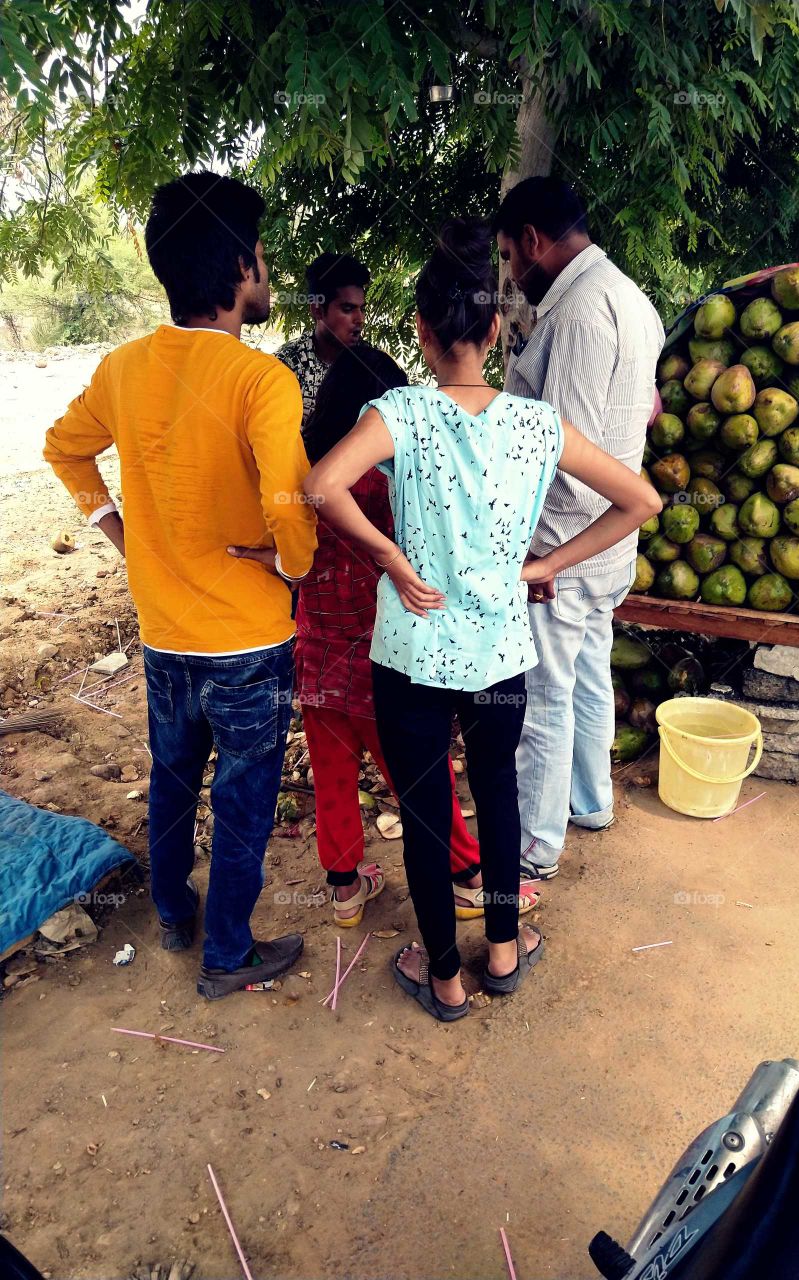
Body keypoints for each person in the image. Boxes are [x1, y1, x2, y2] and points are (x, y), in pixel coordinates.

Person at [304, 220, 661, 1022]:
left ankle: (442, 978)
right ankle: (503, 950)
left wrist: (392, 560)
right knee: (496, 795)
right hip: (501, 648)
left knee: (429, 810)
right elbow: (641, 500)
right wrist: (544, 567)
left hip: (411, 652)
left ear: (423, 333)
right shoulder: (537, 425)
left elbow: (324, 485)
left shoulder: (398, 414)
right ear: (495, 328)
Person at [43, 171, 317, 999]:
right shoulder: (261, 380)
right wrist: (292, 565)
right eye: (262, 258)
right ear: (239, 268)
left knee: (172, 778)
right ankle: (227, 954)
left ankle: (173, 911)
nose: (267, 273)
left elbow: (63, 450)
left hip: (164, 632)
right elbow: (288, 504)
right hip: (248, 644)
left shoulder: (123, 369)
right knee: (241, 803)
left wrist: (122, 538)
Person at [292, 345, 541, 925]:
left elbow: (286, 545)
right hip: (383, 649)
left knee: (331, 773)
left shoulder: (299, 471)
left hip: (318, 647)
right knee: (422, 782)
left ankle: (345, 888)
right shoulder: (386, 478)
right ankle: (469, 875)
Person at [493, 177, 665, 881]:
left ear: (533, 242)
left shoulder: (579, 316)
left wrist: (538, 555)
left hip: (566, 547)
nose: (509, 272)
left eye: (509, 256)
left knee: (544, 696)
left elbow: (563, 452)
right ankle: (590, 804)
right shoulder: (632, 299)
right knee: (591, 673)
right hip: (611, 544)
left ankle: (536, 846)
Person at [276, 253, 369, 427]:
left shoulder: (373, 366)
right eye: (348, 309)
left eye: (362, 309)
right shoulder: (286, 366)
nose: (359, 318)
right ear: (317, 310)